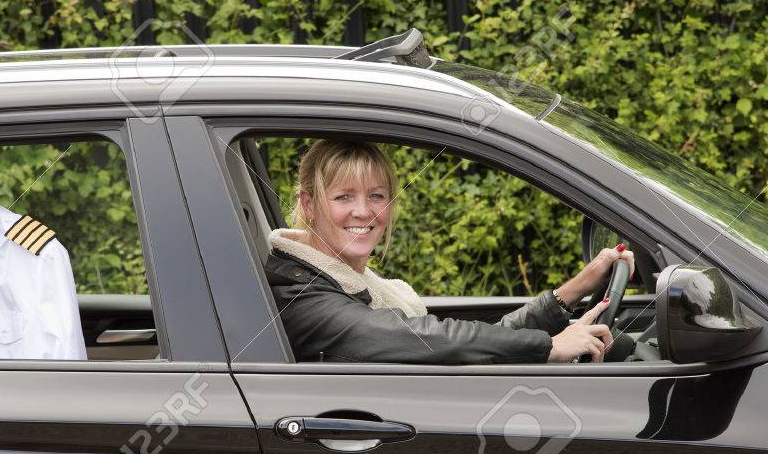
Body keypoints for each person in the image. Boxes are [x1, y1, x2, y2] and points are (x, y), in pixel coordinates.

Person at [264, 139, 635, 364]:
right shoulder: (301, 295)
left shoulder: (360, 285)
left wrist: (573, 291)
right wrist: (547, 346)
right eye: (344, 197)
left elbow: (476, 344)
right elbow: (429, 339)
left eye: (376, 196)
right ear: (309, 205)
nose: (364, 212)